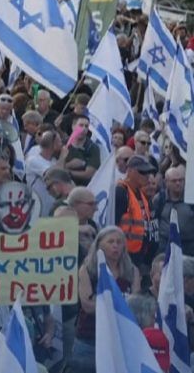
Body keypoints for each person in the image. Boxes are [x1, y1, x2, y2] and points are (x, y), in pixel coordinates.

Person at [69, 227, 141, 373]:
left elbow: (135, 305)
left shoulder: (132, 271)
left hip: (121, 340)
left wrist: (103, 302)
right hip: (90, 340)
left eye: (119, 242)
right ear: (99, 245)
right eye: (111, 242)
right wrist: (119, 304)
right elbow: (88, 305)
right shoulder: (87, 270)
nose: (116, 245)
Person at [116, 155, 158, 274]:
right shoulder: (121, 192)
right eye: (142, 172)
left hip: (140, 256)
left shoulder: (142, 194)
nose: (146, 176)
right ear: (129, 171)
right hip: (124, 255)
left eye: (148, 172)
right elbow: (113, 224)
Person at [154, 165, 194, 255]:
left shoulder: (191, 199)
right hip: (165, 247)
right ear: (166, 182)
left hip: (188, 248)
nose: (178, 183)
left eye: (181, 180)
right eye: (174, 181)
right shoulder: (160, 199)